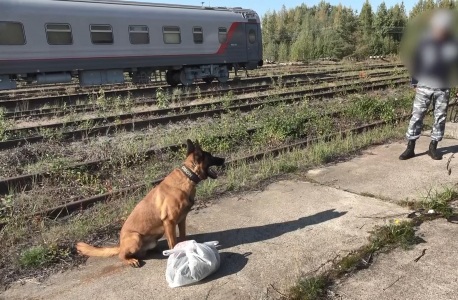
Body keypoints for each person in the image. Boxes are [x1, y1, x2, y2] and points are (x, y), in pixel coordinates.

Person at [400, 9, 458, 160]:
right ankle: (410, 147)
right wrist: (414, 81)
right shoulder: (424, 41)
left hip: (443, 86)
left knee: (440, 117)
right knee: (417, 115)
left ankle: (433, 147)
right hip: (424, 84)